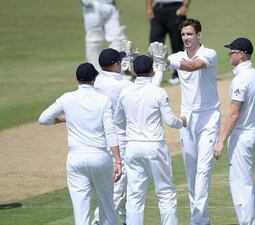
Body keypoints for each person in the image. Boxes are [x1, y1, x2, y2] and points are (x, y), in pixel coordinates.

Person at [38, 63, 122, 225]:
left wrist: (63, 119)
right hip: (100, 157)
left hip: (75, 158)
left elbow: (43, 119)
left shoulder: (67, 98)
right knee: (107, 206)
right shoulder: (103, 99)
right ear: (94, 79)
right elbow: (111, 131)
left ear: (77, 79)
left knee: (80, 211)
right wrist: (118, 160)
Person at [213, 38, 255, 225]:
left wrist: (220, 141)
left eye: (232, 52)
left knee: (240, 186)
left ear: (241, 54)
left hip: (242, 136)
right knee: (247, 182)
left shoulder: (242, 79)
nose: (229, 55)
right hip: (254, 134)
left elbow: (234, 113)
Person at [114, 55, 187, 225]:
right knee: (165, 192)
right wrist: (182, 122)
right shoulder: (158, 92)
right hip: (155, 147)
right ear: (153, 70)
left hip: (132, 147)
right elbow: (170, 121)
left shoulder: (125, 92)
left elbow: (118, 121)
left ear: (133, 70)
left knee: (134, 195)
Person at [166, 18, 221, 225]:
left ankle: (198, 220)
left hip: (209, 117)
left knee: (203, 170)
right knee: (191, 171)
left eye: (190, 34)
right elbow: (150, 71)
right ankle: (199, 218)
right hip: (187, 118)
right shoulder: (177, 56)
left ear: (199, 35)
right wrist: (133, 62)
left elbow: (193, 66)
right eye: (183, 35)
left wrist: (168, 61)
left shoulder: (209, 54)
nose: (186, 38)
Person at [91, 48, 132, 225]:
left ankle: (126, 218)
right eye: (119, 62)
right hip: (119, 139)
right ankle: (98, 222)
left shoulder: (96, 81)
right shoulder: (124, 84)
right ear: (115, 65)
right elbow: (146, 91)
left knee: (124, 184)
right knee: (118, 185)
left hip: (99, 139)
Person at [146, 0, 191, 84]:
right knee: (154, 44)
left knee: (177, 43)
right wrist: (149, 8)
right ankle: (155, 74)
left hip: (176, 9)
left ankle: (178, 75)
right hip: (159, 9)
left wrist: (185, 5)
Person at [80, 0, 127, 69]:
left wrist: (114, 5)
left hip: (110, 5)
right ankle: (95, 72)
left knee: (117, 38)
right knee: (94, 38)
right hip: (93, 5)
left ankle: (115, 69)